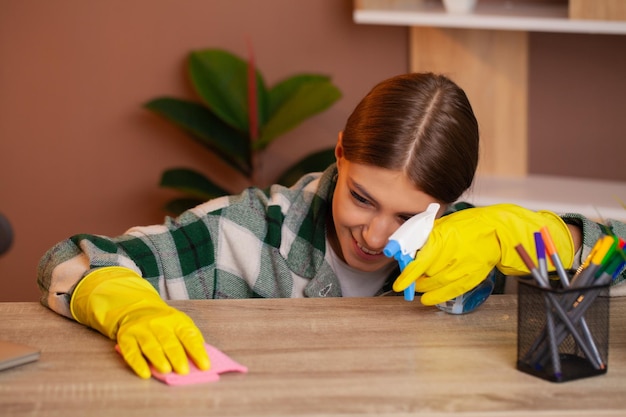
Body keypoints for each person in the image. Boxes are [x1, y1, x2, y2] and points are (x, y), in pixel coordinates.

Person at [37, 73, 626, 379]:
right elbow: (68, 261)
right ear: (340, 153)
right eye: (363, 198)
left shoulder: (481, 246)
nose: (374, 235)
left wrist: (545, 234)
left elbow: (617, 255)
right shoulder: (250, 234)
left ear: (447, 203)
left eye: (409, 214)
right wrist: (130, 307)